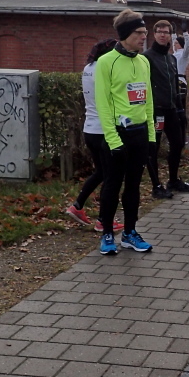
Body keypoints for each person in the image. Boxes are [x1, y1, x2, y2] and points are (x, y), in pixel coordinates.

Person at [94, 10, 156, 254]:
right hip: (117, 135)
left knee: (133, 186)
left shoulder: (143, 61)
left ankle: (130, 232)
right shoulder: (106, 62)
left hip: (139, 134)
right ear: (125, 34)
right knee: (112, 185)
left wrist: (151, 136)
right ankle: (108, 233)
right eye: (139, 33)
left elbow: (147, 101)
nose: (144, 37)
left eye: (145, 33)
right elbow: (104, 103)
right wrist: (113, 140)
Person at [66, 39, 124, 235]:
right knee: (111, 177)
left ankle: (78, 205)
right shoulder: (104, 68)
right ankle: (103, 220)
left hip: (89, 128)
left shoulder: (88, 67)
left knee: (100, 172)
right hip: (103, 129)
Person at [144, 20, 189, 200]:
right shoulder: (146, 57)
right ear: (154, 34)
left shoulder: (171, 58)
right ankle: (156, 185)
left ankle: (173, 180)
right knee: (154, 148)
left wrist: (180, 109)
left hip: (172, 108)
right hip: (155, 110)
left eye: (166, 32)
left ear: (170, 35)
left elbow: (174, 85)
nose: (162, 34)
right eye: (159, 31)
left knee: (178, 143)